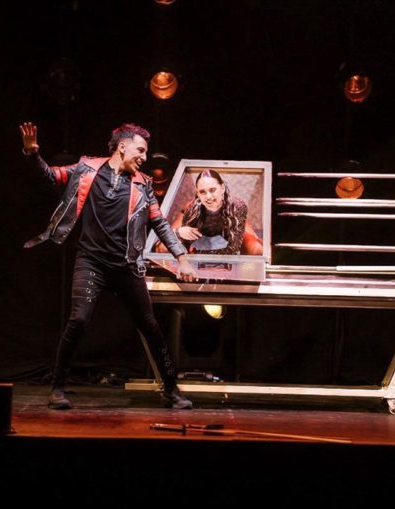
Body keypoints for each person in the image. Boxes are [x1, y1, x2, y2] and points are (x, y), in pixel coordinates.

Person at [19, 121, 197, 410]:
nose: (144, 157)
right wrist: (32, 153)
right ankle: (57, 388)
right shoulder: (87, 169)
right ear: (122, 146)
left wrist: (182, 257)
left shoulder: (143, 183)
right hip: (91, 261)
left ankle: (170, 390)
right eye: (141, 150)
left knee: (150, 326)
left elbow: (160, 223)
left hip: (127, 266)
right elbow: (51, 176)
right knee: (79, 320)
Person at [176, 169, 248, 254]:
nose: (208, 197)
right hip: (201, 252)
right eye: (202, 192)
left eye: (212, 190)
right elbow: (184, 246)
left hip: (226, 253)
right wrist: (179, 232)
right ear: (198, 193)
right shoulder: (192, 210)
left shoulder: (237, 207)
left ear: (222, 188)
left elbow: (234, 246)